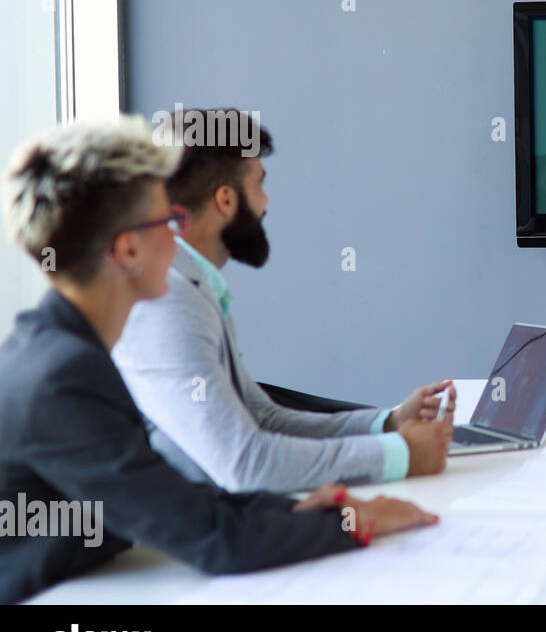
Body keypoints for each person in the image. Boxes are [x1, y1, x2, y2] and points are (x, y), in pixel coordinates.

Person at [0, 118, 447, 604]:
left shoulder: (56, 351)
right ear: (127, 249)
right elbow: (214, 538)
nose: (180, 240)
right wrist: (356, 518)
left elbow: (175, 499)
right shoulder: (64, 377)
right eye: (166, 223)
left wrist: (297, 509)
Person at [112, 109, 452, 493]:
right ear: (226, 199)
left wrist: (389, 423)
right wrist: (399, 455)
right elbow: (245, 463)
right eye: (259, 183)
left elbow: (261, 417)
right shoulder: (168, 302)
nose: (266, 202)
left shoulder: (191, 284)